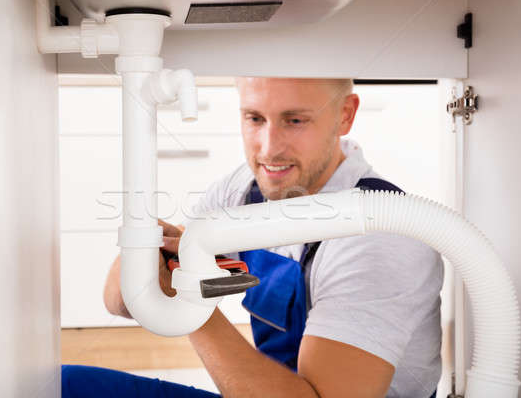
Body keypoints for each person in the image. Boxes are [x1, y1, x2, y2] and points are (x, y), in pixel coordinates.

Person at [62, 78, 443, 398]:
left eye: (294, 120)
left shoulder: (380, 236)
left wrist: (190, 304)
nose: (268, 147)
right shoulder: (246, 189)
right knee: (61, 386)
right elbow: (120, 300)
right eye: (255, 118)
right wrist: (147, 251)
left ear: (345, 115)